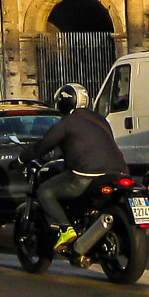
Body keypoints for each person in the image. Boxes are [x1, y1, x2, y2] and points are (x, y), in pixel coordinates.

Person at [24, 83, 126, 251]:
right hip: (115, 174)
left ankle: (65, 229)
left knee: (45, 191)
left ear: (64, 103)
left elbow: (43, 146)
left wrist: (22, 159)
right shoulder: (100, 119)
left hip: (84, 176)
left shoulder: (67, 122)